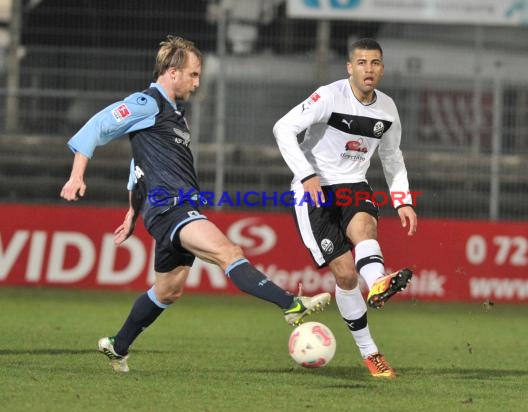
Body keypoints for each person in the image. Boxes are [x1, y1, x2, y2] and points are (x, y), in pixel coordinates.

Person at [60, 35, 330, 373]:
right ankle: (290, 304)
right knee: (228, 252)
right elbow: (97, 126)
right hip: (170, 207)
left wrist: (131, 211)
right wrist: (77, 176)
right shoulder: (146, 103)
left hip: (170, 208)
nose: (197, 82)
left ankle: (118, 345)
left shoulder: (173, 115)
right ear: (173, 73)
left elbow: (139, 164)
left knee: (168, 291)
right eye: (194, 74)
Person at [273, 38, 417, 379]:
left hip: (353, 184)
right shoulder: (329, 96)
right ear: (349, 67)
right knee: (345, 275)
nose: (369, 69)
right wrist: (306, 174)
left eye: (375, 63)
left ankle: (379, 285)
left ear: (382, 68)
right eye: (362, 62)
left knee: (365, 227)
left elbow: (392, 157)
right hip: (314, 188)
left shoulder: (387, 109)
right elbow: (283, 128)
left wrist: (403, 199)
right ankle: (369, 346)